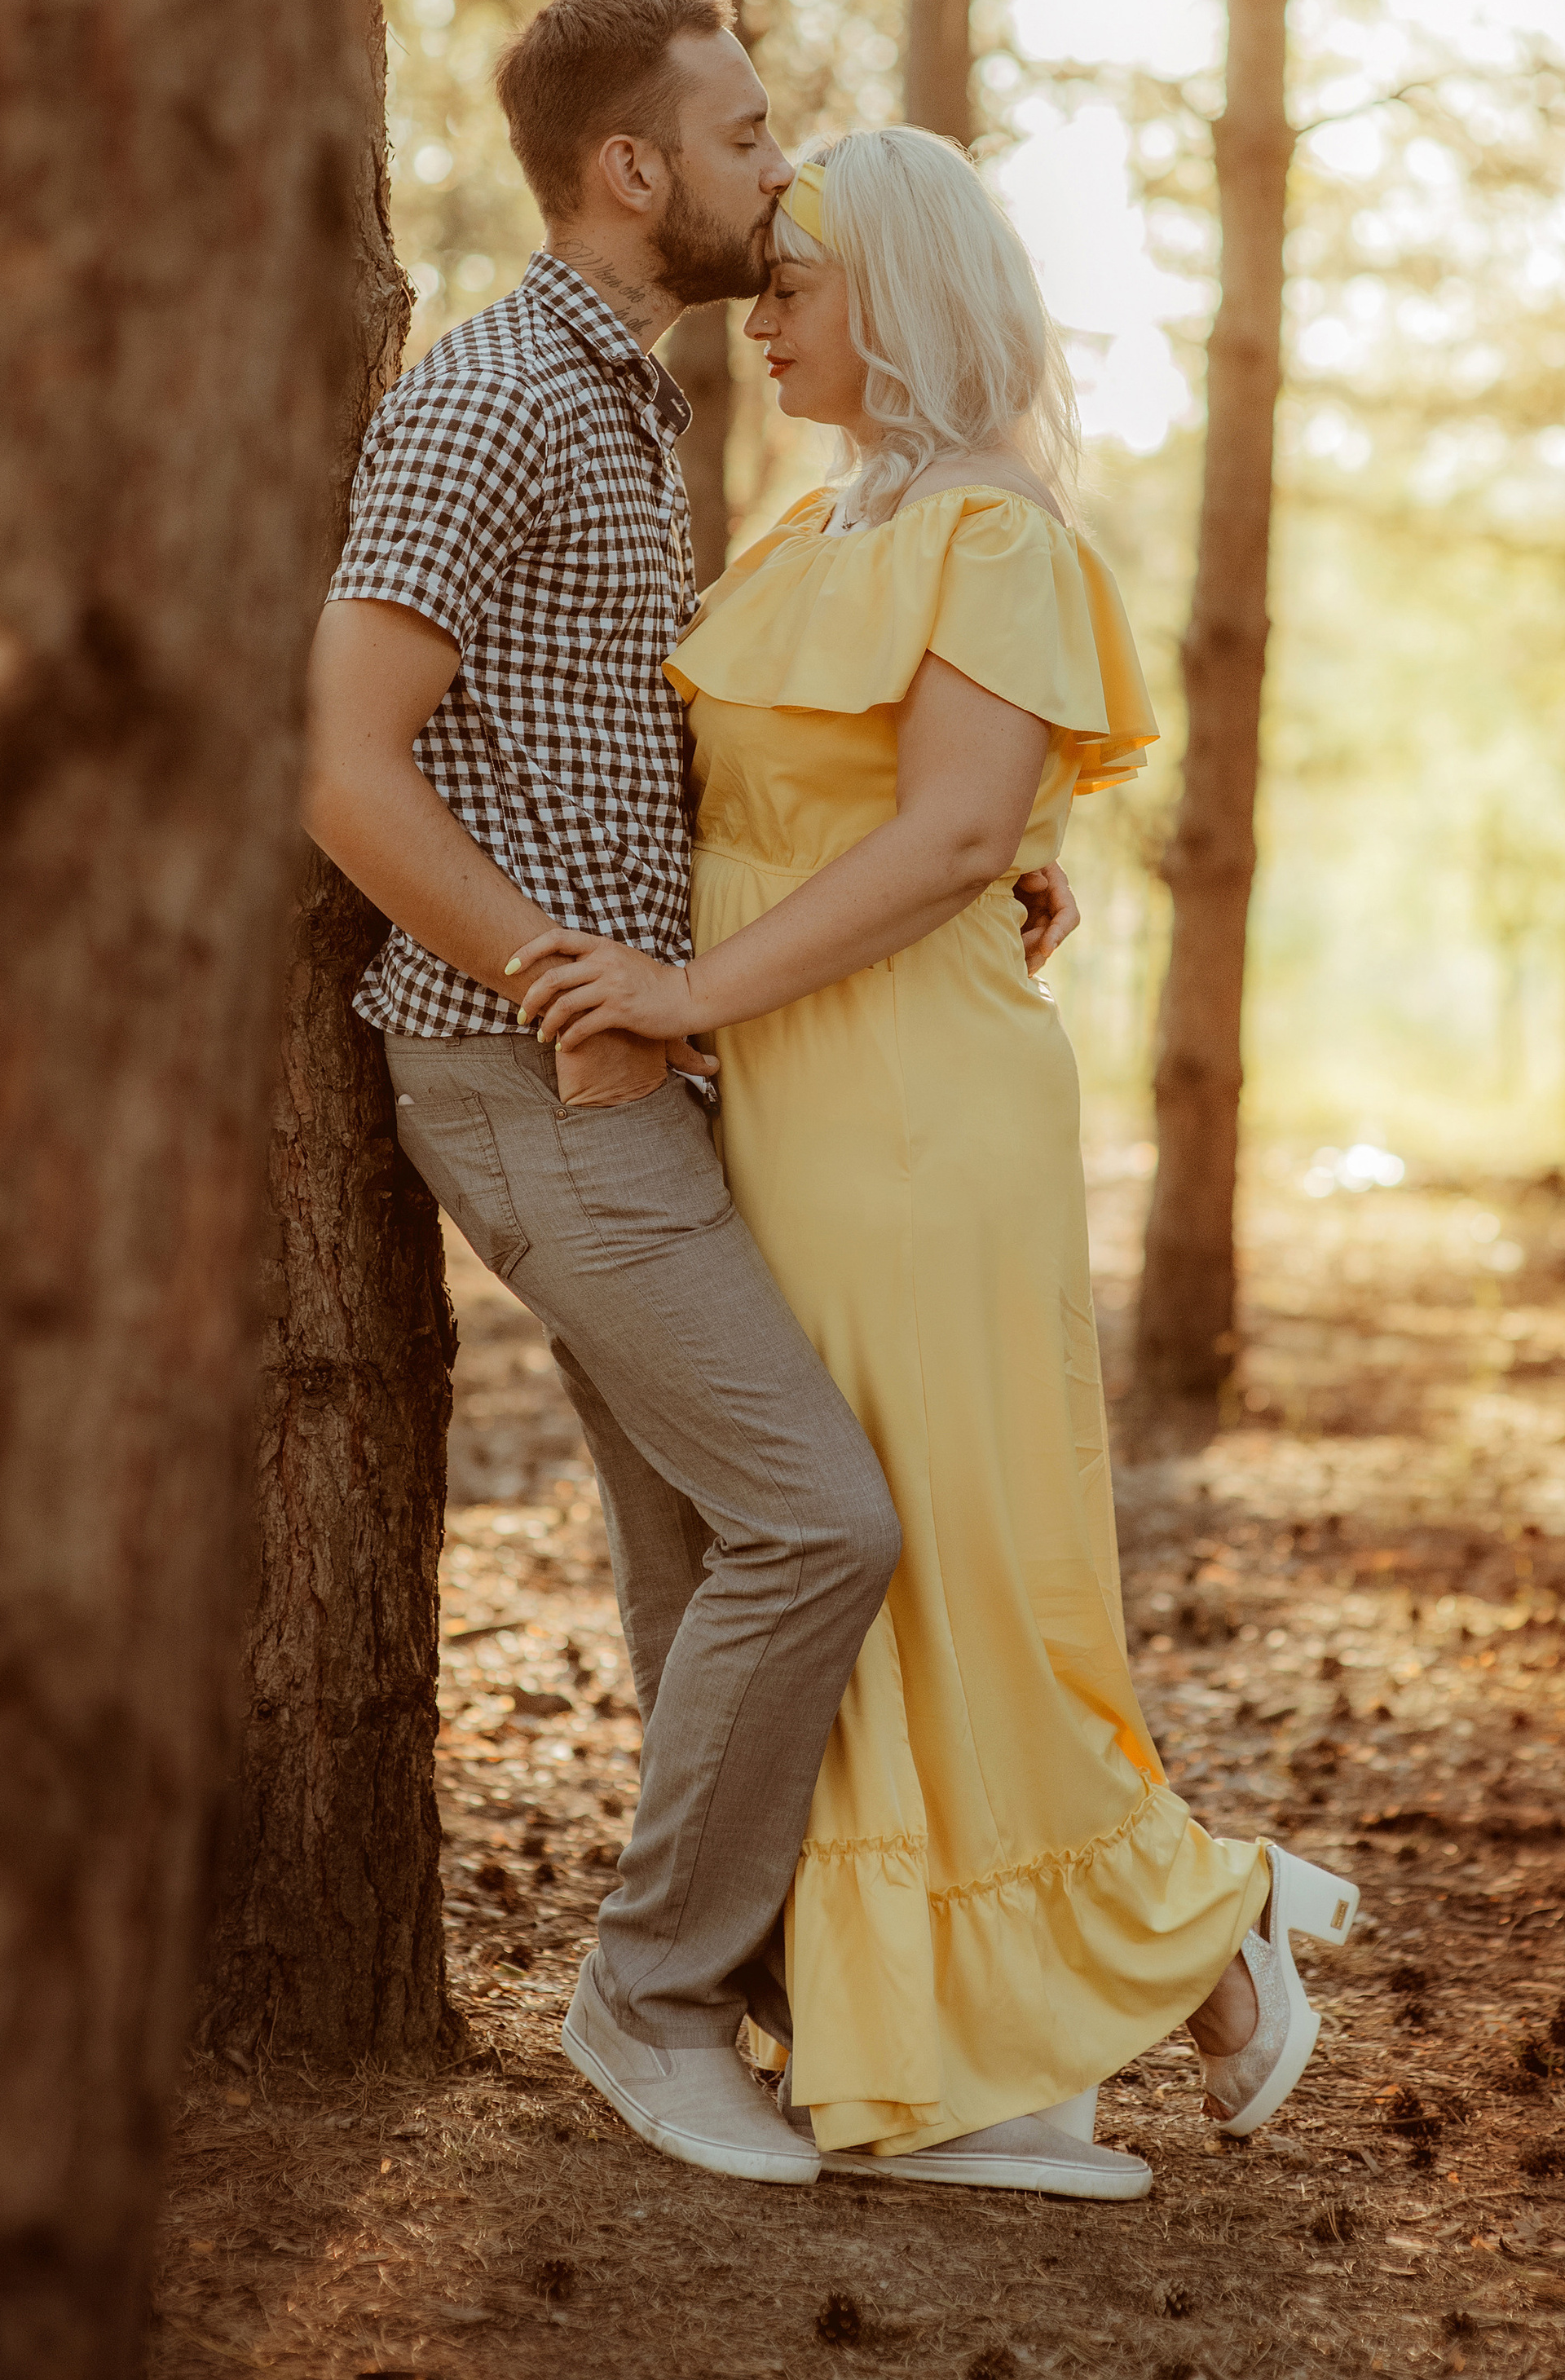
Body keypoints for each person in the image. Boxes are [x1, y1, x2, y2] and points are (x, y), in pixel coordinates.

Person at [505, 126, 1360, 2206]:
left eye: (791, 287)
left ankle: (1170, 1934)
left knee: (956, 1553)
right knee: (847, 1573)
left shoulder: (990, 530)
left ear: (889, 302)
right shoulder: (819, 528)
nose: (762, 317)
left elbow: (956, 831)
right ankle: (970, 2045)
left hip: (905, 1115)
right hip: (794, 1104)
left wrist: (687, 995)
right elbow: (902, 806)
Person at [302, 0, 1077, 2190]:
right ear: (635, 170)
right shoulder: (484, 404)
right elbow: (344, 766)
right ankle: (646, 1998)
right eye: (744, 136)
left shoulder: (631, 411)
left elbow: (666, 770)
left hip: (647, 1070)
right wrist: (566, 989)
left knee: (700, 1550)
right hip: (531, 1079)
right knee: (820, 1518)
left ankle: (771, 1995)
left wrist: (954, 882)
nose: (776, 170)